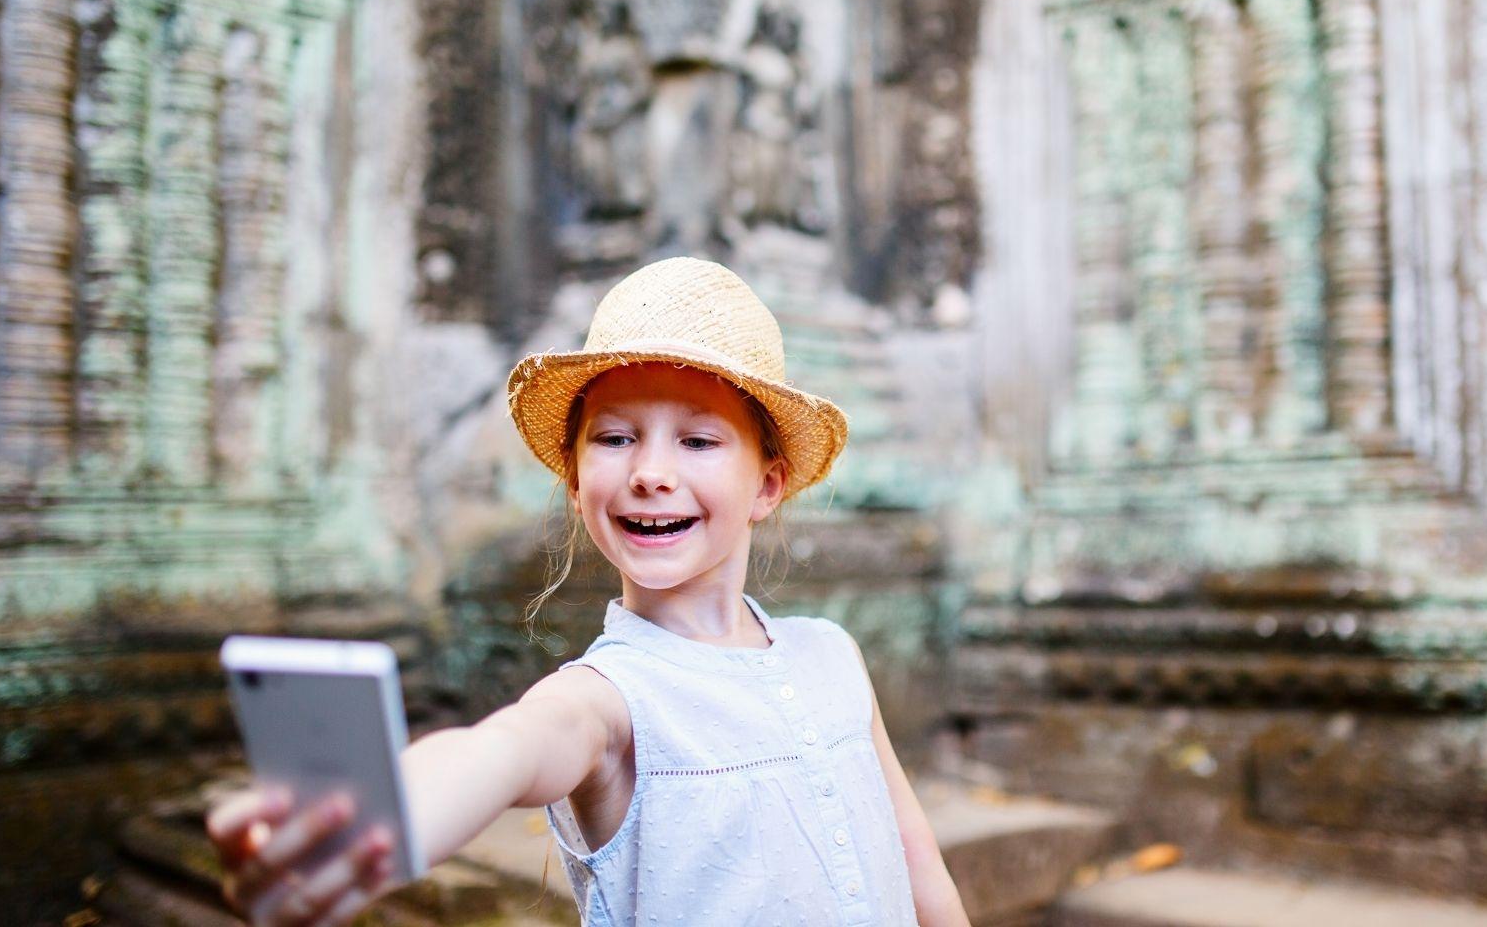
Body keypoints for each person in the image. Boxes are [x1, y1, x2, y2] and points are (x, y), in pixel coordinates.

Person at [206, 257, 971, 926]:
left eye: (698, 440)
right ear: (576, 482)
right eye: (615, 437)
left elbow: (919, 866)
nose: (650, 471)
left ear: (767, 484)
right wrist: (374, 815)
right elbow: (505, 749)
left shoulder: (832, 655)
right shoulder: (607, 702)